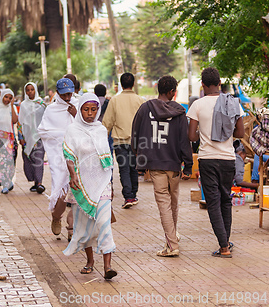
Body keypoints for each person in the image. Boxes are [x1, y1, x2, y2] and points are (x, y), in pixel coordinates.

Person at [131, 75, 193, 257]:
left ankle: (172, 245)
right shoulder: (180, 112)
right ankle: (171, 240)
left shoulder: (145, 108)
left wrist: (140, 162)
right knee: (172, 204)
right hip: (174, 165)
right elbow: (184, 141)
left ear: (158, 89)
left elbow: (136, 136)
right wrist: (188, 166)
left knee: (164, 205)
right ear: (172, 92)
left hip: (156, 164)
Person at [187, 67, 245, 258]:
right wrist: (224, 131)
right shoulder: (234, 103)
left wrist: (205, 132)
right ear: (220, 83)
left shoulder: (197, 105)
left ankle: (224, 247)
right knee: (226, 200)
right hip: (228, 159)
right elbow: (240, 134)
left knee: (213, 202)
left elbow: (191, 136)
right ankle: (225, 243)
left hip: (208, 159)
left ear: (202, 85)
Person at [62, 93, 117, 279]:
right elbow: (69, 155)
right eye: (86, 109)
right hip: (81, 185)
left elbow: (107, 159)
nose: (90, 113)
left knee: (104, 223)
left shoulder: (101, 129)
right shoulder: (72, 130)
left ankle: (107, 266)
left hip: (102, 184)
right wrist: (73, 174)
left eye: (94, 110)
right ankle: (90, 261)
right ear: (80, 109)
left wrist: (111, 184)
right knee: (85, 226)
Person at [38, 78, 78, 238]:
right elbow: (43, 131)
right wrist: (62, 136)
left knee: (77, 193)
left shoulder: (79, 105)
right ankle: (56, 217)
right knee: (61, 193)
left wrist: (77, 115)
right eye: (64, 95)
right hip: (60, 158)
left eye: (70, 94)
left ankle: (72, 229)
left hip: (78, 156)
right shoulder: (51, 110)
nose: (67, 98)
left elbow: (91, 124)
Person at [102, 73, 145, 209]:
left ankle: (128, 196)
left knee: (124, 169)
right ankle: (133, 194)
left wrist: (102, 139)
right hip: (136, 142)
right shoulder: (140, 100)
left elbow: (107, 122)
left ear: (121, 84)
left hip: (119, 142)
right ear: (133, 84)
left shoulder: (115, 100)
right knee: (134, 168)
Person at [18, 82, 47, 194]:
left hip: (39, 137)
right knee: (29, 159)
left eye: (32, 89)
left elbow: (46, 119)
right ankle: (35, 181)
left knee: (39, 159)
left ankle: (39, 183)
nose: (30, 92)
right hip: (27, 137)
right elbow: (20, 122)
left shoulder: (42, 104)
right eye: (28, 90)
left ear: (35, 90)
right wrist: (21, 137)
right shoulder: (23, 105)